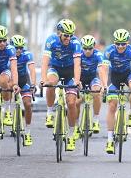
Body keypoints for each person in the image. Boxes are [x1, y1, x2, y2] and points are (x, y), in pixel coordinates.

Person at [40, 19, 82, 151]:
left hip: (70, 71)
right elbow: (45, 62)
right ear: (59, 33)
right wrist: (43, 79)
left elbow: (77, 64)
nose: (68, 38)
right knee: (51, 83)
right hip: (55, 68)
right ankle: (50, 112)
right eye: (65, 35)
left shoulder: (75, 43)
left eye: (70, 35)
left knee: (71, 103)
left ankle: (70, 135)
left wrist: (77, 80)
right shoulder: (51, 40)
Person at [102, 28, 131, 154]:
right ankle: (109, 140)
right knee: (112, 105)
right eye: (118, 43)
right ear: (114, 43)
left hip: (127, 74)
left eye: (123, 44)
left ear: (127, 43)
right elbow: (104, 69)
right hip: (114, 77)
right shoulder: (109, 51)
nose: (120, 46)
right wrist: (104, 85)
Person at [77, 35, 107, 134]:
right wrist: (77, 81)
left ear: (94, 46)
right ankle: (76, 125)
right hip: (80, 78)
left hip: (93, 78)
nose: (87, 51)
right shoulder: (78, 54)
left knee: (96, 92)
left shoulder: (98, 55)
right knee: (76, 102)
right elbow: (74, 68)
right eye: (85, 48)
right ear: (82, 47)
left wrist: (103, 85)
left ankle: (96, 120)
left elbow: (101, 70)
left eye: (90, 48)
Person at [10, 34, 36, 146]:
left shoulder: (27, 55)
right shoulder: (7, 53)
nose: (19, 50)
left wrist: (33, 84)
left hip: (24, 81)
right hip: (11, 81)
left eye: (21, 47)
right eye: (16, 48)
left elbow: (32, 70)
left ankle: (28, 132)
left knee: (28, 104)